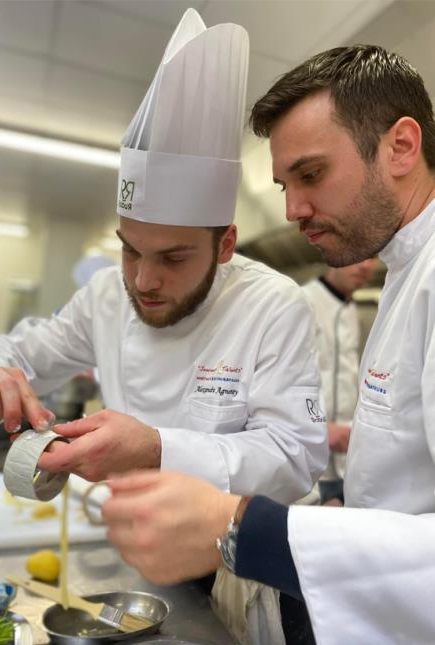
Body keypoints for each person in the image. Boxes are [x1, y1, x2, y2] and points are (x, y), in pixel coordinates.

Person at [100, 44, 435, 645]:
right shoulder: (407, 272)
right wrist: (347, 523)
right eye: (284, 184)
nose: (293, 209)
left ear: (402, 147)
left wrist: (241, 525)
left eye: (311, 174)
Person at [0, 10, 327, 502]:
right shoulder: (107, 296)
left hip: (238, 562)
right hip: (135, 536)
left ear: (226, 245)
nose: (144, 280)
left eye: (173, 259)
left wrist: (155, 448)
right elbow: (20, 353)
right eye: (130, 251)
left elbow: (294, 456)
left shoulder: (273, 306)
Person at [302, 260, 377, 505]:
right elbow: (278, 379)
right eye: (358, 258)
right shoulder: (302, 301)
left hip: (345, 460)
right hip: (308, 456)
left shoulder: (352, 308)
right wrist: (316, 427)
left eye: (373, 257)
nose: (366, 266)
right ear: (334, 258)